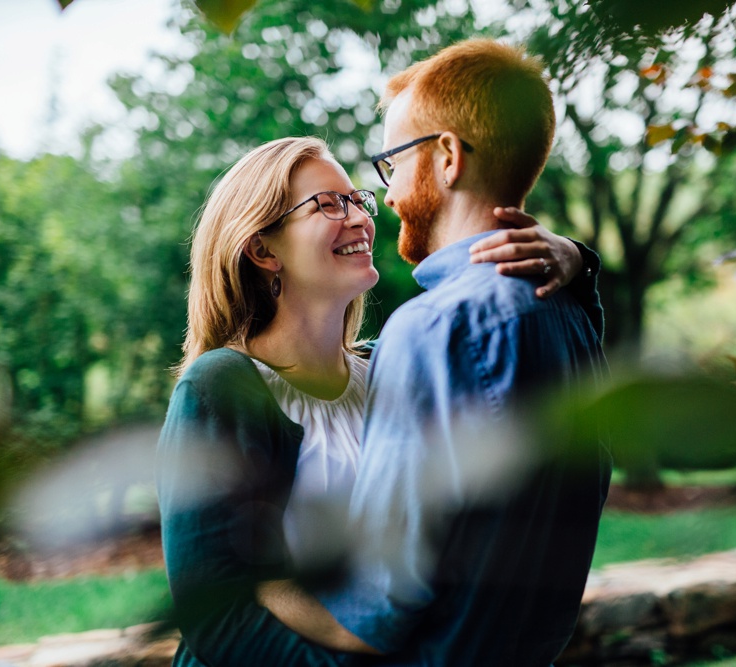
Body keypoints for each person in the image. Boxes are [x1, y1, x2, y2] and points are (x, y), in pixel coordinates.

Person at [155, 135, 594, 666]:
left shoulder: (395, 363)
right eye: (328, 204)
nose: (362, 218)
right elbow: (215, 617)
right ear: (263, 250)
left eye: (356, 199)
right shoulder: (220, 386)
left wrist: (574, 258)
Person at [259, 39, 610, 666]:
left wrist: (255, 575)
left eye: (391, 163)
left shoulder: (433, 329)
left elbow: (372, 610)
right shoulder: (571, 313)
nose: (387, 196)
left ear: (448, 157)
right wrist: (580, 260)